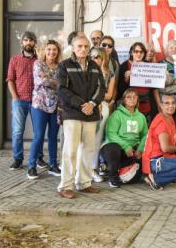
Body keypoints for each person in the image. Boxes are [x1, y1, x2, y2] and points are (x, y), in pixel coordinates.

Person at [56, 35, 105, 199]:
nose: (83, 49)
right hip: (72, 112)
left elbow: (101, 88)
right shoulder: (64, 66)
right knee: (70, 150)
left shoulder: (94, 66)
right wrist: (81, 104)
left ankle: (84, 183)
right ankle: (65, 186)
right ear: (73, 47)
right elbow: (62, 89)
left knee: (88, 149)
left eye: (86, 46)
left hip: (91, 113)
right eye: (79, 46)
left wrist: (92, 103)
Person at [143, 93, 176, 189]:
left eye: (173, 103)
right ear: (161, 105)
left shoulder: (169, 116)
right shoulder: (161, 122)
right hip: (155, 160)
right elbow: (165, 148)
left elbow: (173, 136)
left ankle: (171, 176)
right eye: (167, 103)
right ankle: (156, 179)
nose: (171, 106)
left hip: (161, 155)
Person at [27, 39, 61, 179]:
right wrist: (54, 81)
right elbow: (40, 81)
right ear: (44, 51)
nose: (51, 52)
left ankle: (53, 165)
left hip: (55, 106)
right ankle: (31, 166)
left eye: (54, 49)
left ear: (58, 52)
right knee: (39, 136)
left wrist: (49, 79)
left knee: (53, 137)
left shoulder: (61, 66)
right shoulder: (38, 63)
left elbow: (62, 84)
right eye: (49, 49)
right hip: (39, 105)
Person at [101, 88, 148, 188]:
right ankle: (112, 176)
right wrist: (126, 146)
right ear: (124, 100)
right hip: (116, 147)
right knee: (114, 148)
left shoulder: (141, 117)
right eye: (129, 97)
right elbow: (111, 133)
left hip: (133, 150)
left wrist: (140, 149)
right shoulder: (116, 115)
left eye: (135, 97)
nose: (132, 99)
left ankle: (123, 171)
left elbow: (145, 135)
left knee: (147, 153)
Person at [6, 31, 39, 170]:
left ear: (34, 43)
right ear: (22, 42)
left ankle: (39, 158)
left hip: (37, 101)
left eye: (31, 40)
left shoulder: (39, 59)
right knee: (18, 131)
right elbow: (10, 79)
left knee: (39, 131)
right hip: (20, 100)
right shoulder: (15, 59)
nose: (29, 43)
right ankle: (18, 159)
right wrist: (15, 97)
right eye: (26, 40)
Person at [89, 47, 117, 183]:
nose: (94, 59)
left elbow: (109, 95)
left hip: (103, 108)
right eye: (92, 57)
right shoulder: (86, 72)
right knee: (85, 138)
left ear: (103, 58)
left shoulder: (109, 75)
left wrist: (97, 97)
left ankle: (93, 168)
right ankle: (81, 168)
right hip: (87, 106)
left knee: (97, 139)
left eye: (97, 57)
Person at [117, 42, 155, 120]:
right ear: (131, 52)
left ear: (144, 53)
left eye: (141, 52)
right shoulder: (124, 66)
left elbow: (154, 85)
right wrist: (126, 79)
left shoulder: (149, 65)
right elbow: (120, 88)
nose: (138, 54)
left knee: (145, 127)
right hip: (130, 103)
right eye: (136, 51)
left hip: (147, 102)